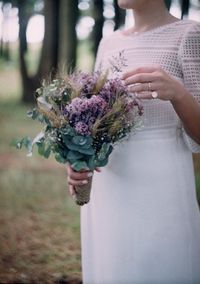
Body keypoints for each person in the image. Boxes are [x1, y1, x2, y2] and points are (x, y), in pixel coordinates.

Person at [67, 0, 200, 283]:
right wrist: (79, 160)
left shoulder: (189, 34)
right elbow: (96, 117)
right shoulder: (108, 42)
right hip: (109, 183)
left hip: (161, 183)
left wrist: (177, 92)